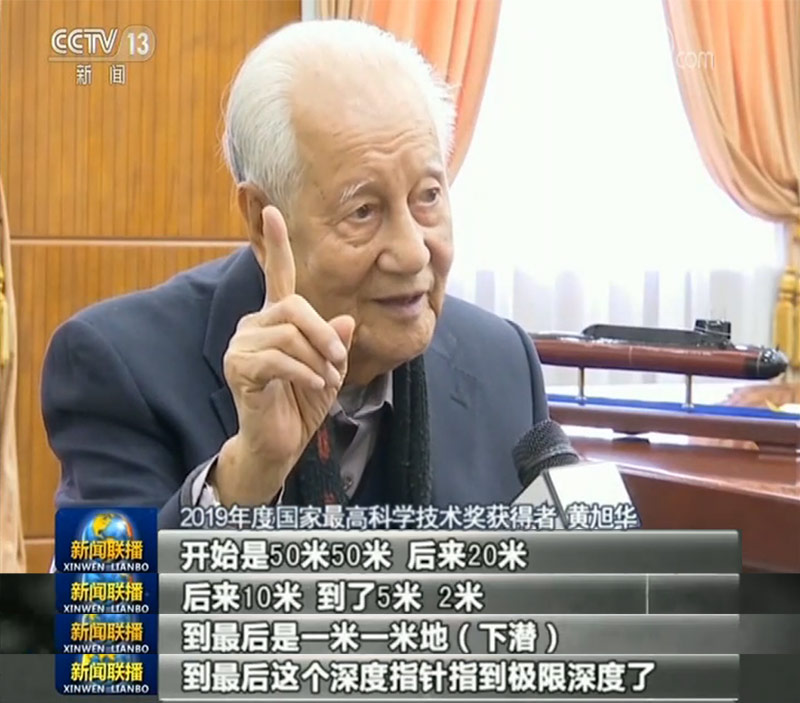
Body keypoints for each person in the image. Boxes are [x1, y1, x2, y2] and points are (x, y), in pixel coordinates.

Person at [41, 20, 549, 529]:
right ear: (262, 221)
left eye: (429, 197)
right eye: (363, 211)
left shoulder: (502, 363)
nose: (413, 253)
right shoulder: (120, 366)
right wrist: (243, 479)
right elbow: (101, 581)